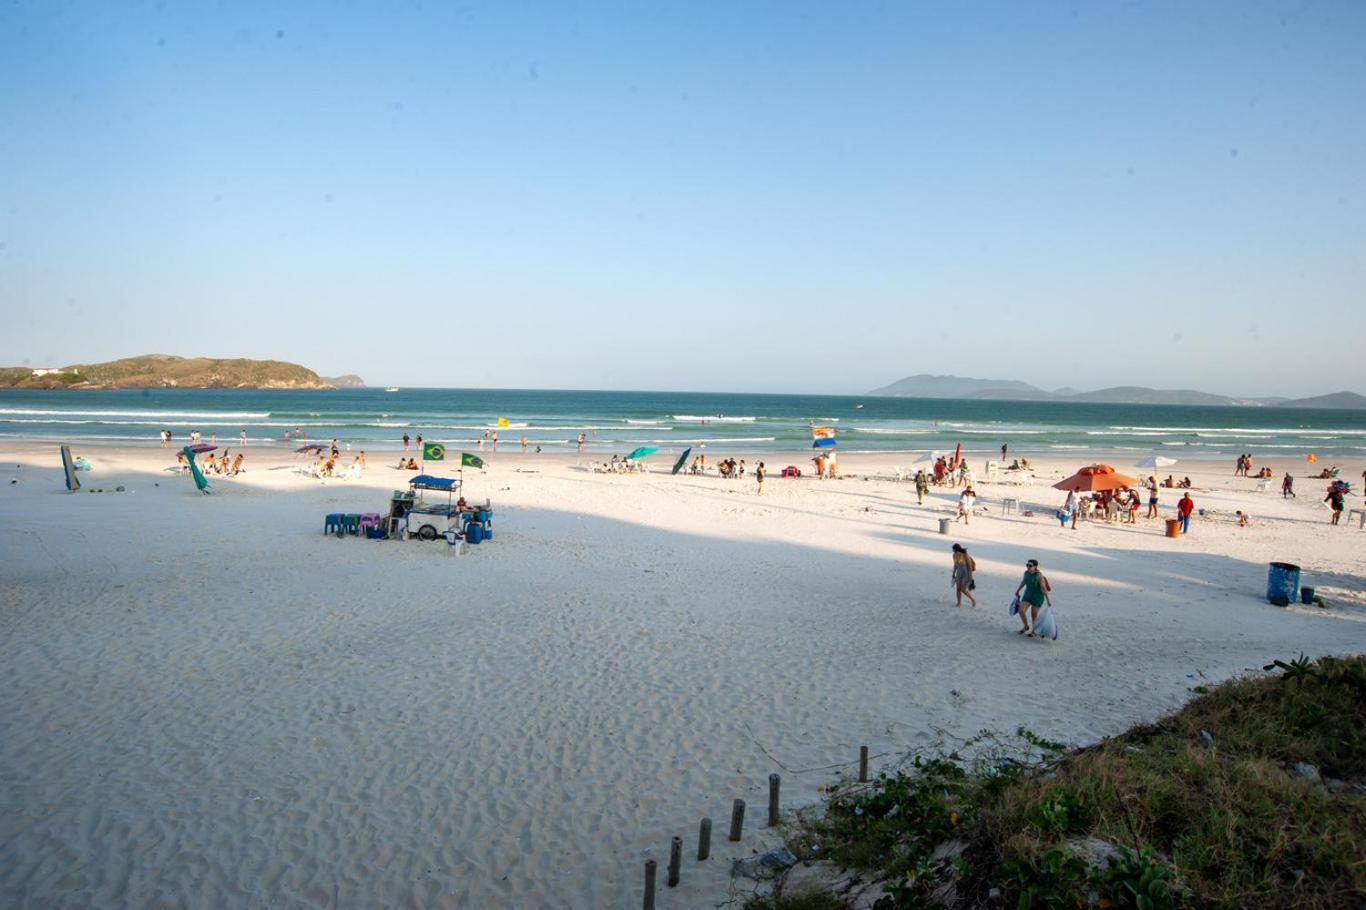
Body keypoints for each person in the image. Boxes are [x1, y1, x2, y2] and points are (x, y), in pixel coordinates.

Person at [1013, 559, 1052, 637]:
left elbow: (1043, 588)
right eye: (1027, 565)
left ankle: (1034, 631)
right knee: (1021, 610)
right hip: (1027, 594)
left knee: (1033, 615)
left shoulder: (1038, 575)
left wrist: (1048, 600)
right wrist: (1017, 591)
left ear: (1035, 566)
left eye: (1030, 565)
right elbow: (1023, 582)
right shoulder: (1026, 573)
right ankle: (1026, 626)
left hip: (1037, 596)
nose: (1028, 567)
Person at [950, 543, 977, 608]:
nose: (953, 551)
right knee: (958, 589)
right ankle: (959, 603)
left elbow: (969, 566)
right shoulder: (954, 555)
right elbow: (955, 565)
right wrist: (953, 573)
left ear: (956, 549)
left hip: (966, 573)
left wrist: (970, 576)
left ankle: (973, 600)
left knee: (963, 589)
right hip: (959, 573)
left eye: (953, 549)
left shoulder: (965, 555)